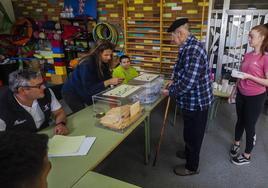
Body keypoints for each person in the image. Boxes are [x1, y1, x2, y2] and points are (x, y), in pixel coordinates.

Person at [162, 18, 213, 176]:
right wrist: (173, 80)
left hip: (196, 102)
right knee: (189, 132)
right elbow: (182, 71)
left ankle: (192, 167)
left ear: (181, 33)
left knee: (194, 135)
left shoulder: (193, 50)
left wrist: (170, 91)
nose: (172, 39)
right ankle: (188, 152)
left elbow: (189, 83)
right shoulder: (187, 46)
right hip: (190, 100)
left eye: (173, 36)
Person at [229, 24, 268, 165]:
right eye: (249, 36)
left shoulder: (266, 58)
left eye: (252, 36)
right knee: (240, 120)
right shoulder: (248, 54)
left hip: (256, 96)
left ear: (262, 38)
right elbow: (241, 75)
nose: (249, 38)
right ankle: (236, 143)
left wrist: (249, 77)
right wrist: (233, 91)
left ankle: (247, 155)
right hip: (241, 93)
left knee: (249, 125)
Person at [62, 40, 124, 113]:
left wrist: (113, 82)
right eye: (106, 55)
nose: (109, 58)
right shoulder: (87, 64)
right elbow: (89, 89)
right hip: (72, 92)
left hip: (86, 89)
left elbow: (106, 78)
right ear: (98, 54)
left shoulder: (104, 61)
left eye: (110, 55)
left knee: (94, 108)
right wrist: (108, 82)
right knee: (82, 113)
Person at [0, 69, 69, 135]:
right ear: (22, 90)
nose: (44, 87)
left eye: (43, 83)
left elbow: (59, 112)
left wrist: (61, 124)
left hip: (45, 134)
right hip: (18, 142)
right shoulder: (3, 106)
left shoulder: (46, 93)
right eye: (39, 86)